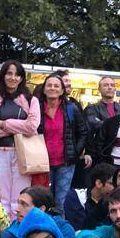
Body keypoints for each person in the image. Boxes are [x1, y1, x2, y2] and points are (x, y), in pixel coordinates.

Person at [0, 60, 42, 217]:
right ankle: (3, 231)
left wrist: (3, 124)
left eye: (17, 74)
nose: (13, 77)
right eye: (9, 73)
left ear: (21, 78)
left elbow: (32, 127)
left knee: (20, 197)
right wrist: (16, 128)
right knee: (1, 197)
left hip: (23, 153)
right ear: (3, 75)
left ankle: (18, 231)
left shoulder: (31, 100)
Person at [36, 72, 89, 215]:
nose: (53, 88)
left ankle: (59, 234)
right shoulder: (36, 108)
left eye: (56, 86)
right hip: (42, 163)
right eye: (49, 85)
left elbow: (83, 132)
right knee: (43, 201)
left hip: (65, 163)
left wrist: (76, 152)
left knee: (61, 203)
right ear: (44, 89)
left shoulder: (72, 108)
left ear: (61, 90)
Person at [1, 186, 76, 238]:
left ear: (41, 209)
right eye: (18, 203)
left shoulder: (63, 228)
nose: (17, 209)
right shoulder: (14, 227)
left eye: (24, 204)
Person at [65, 163, 116, 231]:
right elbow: (79, 228)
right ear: (99, 183)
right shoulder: (75, 197)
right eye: (112, 184)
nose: (115, 188)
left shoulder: (114, 202)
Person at [83, 76, 118, 140]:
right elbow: (93, 126)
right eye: (106, 85)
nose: (110, 87)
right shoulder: (92, 109)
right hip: (99, 148)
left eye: (112, 85)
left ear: (115, 89)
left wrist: (102, 123)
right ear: (99, 89)